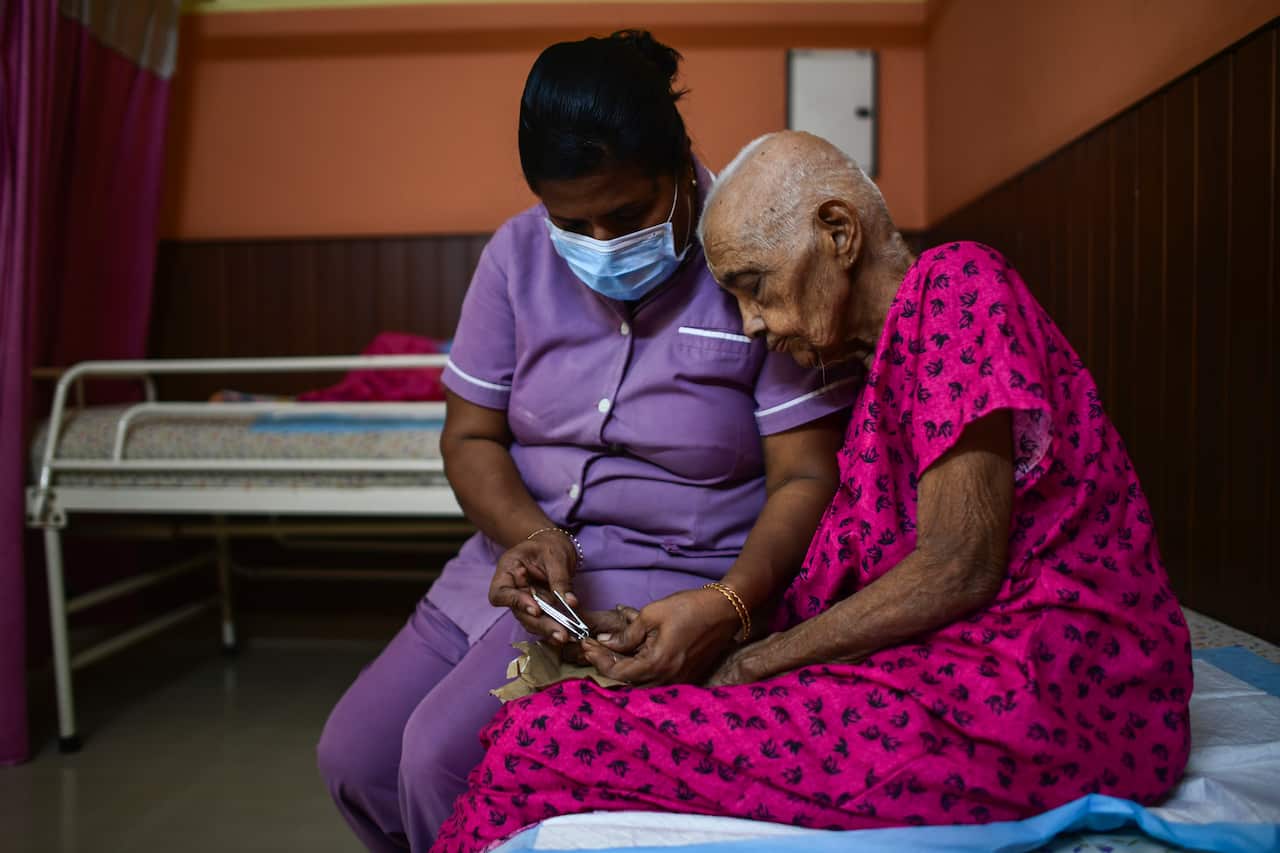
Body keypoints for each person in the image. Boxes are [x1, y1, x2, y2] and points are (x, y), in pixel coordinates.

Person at [430, 131, 1193, 853]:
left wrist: (750, 666)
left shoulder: (958, 280)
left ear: (839, 231)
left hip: (1047, 687)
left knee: (550, 740)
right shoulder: (877, 370)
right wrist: (706, 628)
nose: (752, 324)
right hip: (958, 668)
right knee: (560, 720)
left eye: (753, 286)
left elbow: (957, 565)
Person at [316, 40, 859, 852]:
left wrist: (734, 602)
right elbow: (470, 434)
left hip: (669, 567)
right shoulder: (515, 256)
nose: (600, 243)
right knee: (354, 758)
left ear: (679, 171)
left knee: (437, 761)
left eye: (628, 215)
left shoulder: (750, 250)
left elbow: (807, 474)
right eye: (572, 222)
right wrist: (529, 534)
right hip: (518, 561)